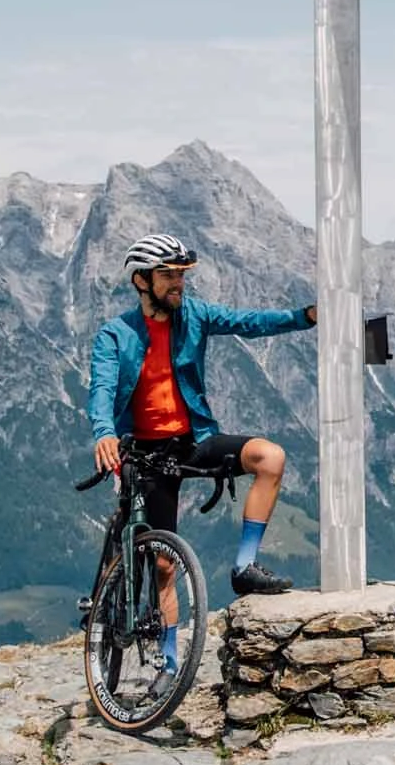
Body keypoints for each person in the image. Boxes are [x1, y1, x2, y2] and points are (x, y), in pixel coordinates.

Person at [88, 234, 318, 641]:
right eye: (168, 275)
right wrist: (106, 433)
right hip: (145, 454)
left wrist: (306, 316)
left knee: (271, 458)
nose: (179, 283)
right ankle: (170, 663)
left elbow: (250, 322)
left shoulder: (195, 315)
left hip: (194, 440)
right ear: (141, 281)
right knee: (163, 564)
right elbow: (102, 390)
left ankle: (244, 567)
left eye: (182, 275)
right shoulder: (115, 334)